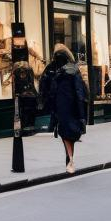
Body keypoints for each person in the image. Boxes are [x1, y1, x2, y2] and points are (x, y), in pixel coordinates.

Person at [42, 44, 88, 174]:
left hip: (61, 105)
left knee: (65, 131)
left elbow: (44, 85)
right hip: (72, 104)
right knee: (69, 131)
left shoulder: (52, 68)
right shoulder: (74, 68)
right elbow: (81, 89)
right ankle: (70, 158)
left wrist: (46, 101)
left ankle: (70, 159)